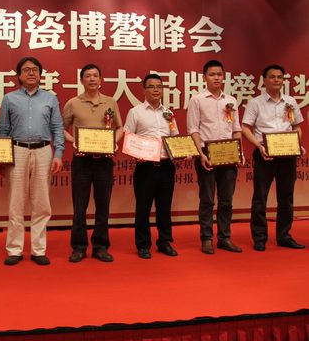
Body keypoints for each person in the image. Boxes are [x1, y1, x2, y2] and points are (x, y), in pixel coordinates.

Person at [0, 57, 64, 266]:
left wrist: (58, 154)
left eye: (35, 70)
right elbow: (3, 130)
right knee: (16, 202)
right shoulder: (9, 99)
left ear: (40, 74)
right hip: (17, 151)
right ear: (19, 75)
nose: (31, 73)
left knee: (41, 203)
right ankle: (14, 249)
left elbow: (57, 128)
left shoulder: (50, 99)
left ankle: (38, 249)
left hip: (43, 151)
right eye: (26, 70)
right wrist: (2, 157)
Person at [62, 63, 123, 263]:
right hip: (82, 161)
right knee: (80, 206)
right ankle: (79, 247)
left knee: (103, 205)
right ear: (81, 80)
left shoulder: (110, 102)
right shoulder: (73, 103)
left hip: (104, 161)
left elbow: (120, 127)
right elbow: (60, 128)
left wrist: (113, 142)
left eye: (95, 75)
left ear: (101, 80)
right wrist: (75, 141)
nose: (92, 79)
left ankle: (100, 246)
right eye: (87, 76)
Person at [241, 64, 305, 251]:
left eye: (279, 77)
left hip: (287, 154)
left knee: (286, 197)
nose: (276, 80)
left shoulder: (290, 101)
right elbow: (245, 128)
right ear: (264, 80)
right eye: (272, 77)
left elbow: (297, 127)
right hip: (265, 154)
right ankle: (259, 237)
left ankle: (284, 236)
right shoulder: (255, 103)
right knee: (260, 197)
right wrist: (259, 146)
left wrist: (297, 144)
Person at [187, 59, 243, 254]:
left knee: (226, 200)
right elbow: (193, 129)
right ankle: (207, 238)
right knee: (208, 200)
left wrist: (239, 152)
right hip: (207, 154)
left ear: (224, 77)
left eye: (219, 74)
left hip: (229, 153)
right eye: (212, 74)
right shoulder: (197, 100)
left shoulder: (231, 100)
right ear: (205, 78)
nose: (216, 78)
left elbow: (236, 129)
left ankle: (224, 238)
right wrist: (200, 154)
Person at [124, 74, 179, 259]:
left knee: (164, 207)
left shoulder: (169, 113)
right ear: (144, 90)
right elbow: (128, 138)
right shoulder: (135, 112)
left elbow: (175, 137)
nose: (156, 90)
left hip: (166, 165)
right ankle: (143, 244)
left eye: (159, 86)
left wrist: (181, 151)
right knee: (143, 208)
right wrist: (136, 154)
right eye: (151, 86)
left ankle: (164, 242)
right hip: (145, 167)